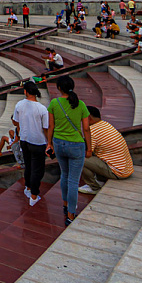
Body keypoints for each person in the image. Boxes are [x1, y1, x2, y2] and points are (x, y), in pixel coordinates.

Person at [45, 75, 90, 225]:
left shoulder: (54, 103)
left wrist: (49, 144)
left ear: (59, 88)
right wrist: (89, 148)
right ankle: (71, 214)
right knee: (73, 180)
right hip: (76, 145)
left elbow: (50, 126)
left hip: (59, 144)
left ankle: (65, 205)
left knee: (64, 175)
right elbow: (86, 129)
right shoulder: (81, 105)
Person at [78, 106, 133, 194]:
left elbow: (87, 153)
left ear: (88, 117)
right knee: (96, 153)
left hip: (118, 172)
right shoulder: (105, 124)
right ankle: (100, 179)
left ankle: (94, 187)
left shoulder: (92, 131)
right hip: (126, 169)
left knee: (79, 159)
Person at [12, 81, 49, 207]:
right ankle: (34, 196)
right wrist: (49, 142)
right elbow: (45, 128)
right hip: (38, 141)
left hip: (24, 140)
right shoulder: (41, 109)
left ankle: (28, 188)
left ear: (25, 92)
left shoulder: (19, 105)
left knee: (28, 166)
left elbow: (15, 122)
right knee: (37, 169)